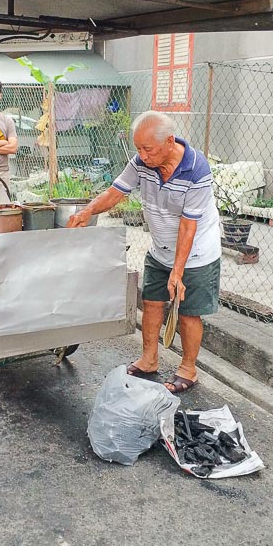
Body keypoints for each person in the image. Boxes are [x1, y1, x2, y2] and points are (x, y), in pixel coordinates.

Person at [67, 110, 221, 394]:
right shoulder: (142, 162)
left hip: (196, 252)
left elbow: (189, 226)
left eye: (147, 149)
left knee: (187, 312)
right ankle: (149, 360)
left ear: (169, 141)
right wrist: (86, 212)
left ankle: (188, 369)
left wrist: (178, 273)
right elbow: (116, 192)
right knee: (151, 301)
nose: (142, 155)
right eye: (138, 148)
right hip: (161, 247)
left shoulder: (197, 169)